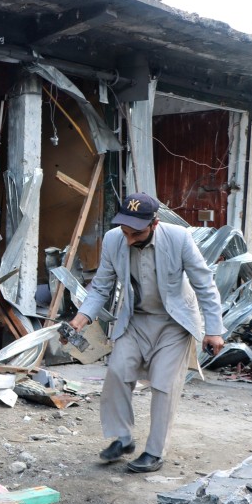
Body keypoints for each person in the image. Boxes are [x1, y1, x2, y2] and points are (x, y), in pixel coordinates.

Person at [67, 192, 225, 473]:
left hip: (173, 323)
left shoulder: (179, 238)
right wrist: (82, 317)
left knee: (164, 385)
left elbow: (204, 283)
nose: (128, 239)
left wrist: (214, 330)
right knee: (117, 372)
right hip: (135, 320)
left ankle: (154, 452)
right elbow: (102, 286)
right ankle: (123, 438)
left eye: (136, 233)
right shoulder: (115, 239)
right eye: (125, 231)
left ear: (154, 224)